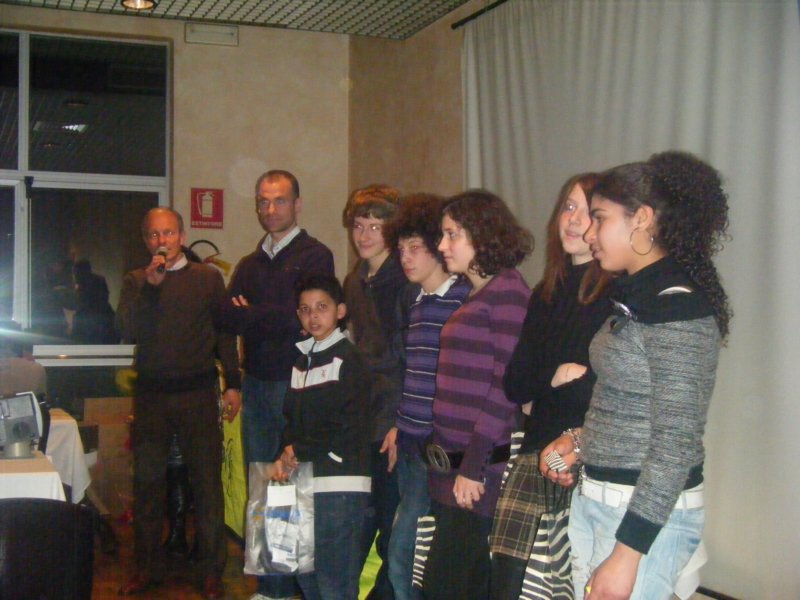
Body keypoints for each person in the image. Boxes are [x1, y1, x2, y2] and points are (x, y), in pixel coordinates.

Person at [540, 151, 731, 600]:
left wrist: (628, 553)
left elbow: (675, 444)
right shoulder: (637, 298)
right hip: (599, 502)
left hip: (638, 522)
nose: (589, 232)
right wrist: (579, 440)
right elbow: (624, 401)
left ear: (641, 219)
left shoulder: (677, 308)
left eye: (599, 218)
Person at [489, 174, 612, 599]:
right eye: (568, 207)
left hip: (587, 458)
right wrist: (555, 376)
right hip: (534, 452)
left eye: (588, 211)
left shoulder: (616, 292)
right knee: (508, 581)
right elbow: (515, 384)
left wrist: (546, 387)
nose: (574, 220)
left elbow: (602, 387)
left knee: (569, 585)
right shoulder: (545, 292)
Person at [116, 207, 242, 599]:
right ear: (146, 241)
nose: (162, 241)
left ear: (182, 237)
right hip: (152, 397)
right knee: (147, 485)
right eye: (154, 235)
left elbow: (224, 333)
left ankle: (211, 571)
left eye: (168, 233)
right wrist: (152, 288)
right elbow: (126, 329)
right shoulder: (136, 281)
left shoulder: (208, 278)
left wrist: (233, 383)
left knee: (206, 485)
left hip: (198, 394)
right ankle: (147, 568)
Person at [221, 170, 334, 600]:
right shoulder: (249, 264)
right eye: (263, 201)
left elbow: (303, 319)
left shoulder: (315, 256)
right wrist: (266, 315)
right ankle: (270, 588)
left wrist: (254, 314)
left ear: (297, 204)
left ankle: (291, 589)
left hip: (296, 386)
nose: (270, 209)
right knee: (263, 488)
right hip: (255, 385)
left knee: (292, 487)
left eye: (279, 200)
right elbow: (228, 318)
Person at [423, 190, 533, 600]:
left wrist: (473, 466)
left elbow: (506, 386)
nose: (442, 245)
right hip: (454, 467)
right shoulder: (476, 291)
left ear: (483, 235)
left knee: (445, 586)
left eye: (452, 234)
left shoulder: (507, 290)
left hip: (478, 470)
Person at [380, 194, 471, 600]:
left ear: (438, 247)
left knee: (412, 553)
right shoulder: (415, 301)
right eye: (401, 249)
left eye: (415, 248)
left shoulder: (462, 300)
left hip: (442, 449)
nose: (406, 257)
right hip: (411, 443)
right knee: (403, 551)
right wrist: (398, 426)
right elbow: (412, 374)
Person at [273, 273, 372, 600]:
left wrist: (299, 449)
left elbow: (348, 422)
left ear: (340, 311)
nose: (313, 316)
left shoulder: (349, 358)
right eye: (305, 309)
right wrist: (286, 450)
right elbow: (292, 418)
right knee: (306, 575)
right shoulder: (301, 361)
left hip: (339, 483)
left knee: (334, 580)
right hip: (305, 480)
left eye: (321, 307)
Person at [342, 184, 411, 599]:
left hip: (395, 415)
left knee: (392, 522)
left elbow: (409, 359)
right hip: (364, 413)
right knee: (362, 517)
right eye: (358, 225)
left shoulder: (403, 280)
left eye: (375, 226)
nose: (364, 235)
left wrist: (401, 421)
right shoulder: (355, 280)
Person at [71, 259, 117, 344]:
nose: (74, 276)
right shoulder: (99, 281)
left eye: (75, 273)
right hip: (104, 320)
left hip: (92, 323)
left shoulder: (84, 286)